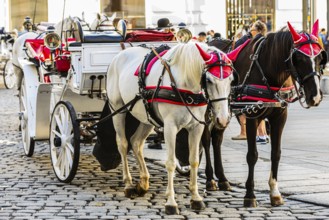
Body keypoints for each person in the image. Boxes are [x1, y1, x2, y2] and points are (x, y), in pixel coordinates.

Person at [231, 20, 269, 144]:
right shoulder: (265, 41)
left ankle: (246, 132)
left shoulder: (250, 41)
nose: (250, 31)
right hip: (262, 80)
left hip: (248, 78)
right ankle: (262, 135)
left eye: (251, 29)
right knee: (260, 107)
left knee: (246, 106)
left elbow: (235, 54)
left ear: (256, 30)